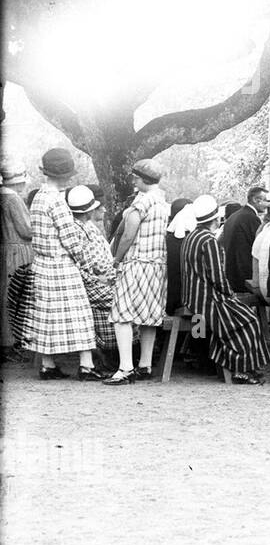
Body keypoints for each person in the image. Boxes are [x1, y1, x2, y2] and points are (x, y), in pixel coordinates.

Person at [177, 195, 270, 384]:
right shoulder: (208, 241)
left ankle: (207, 360)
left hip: (192, 298)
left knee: (232, 320)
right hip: (207, 300)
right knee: (248, 320)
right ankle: (242, 369)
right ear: (215, 218)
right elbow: (217, 277)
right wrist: (230, 294)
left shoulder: (191, 237)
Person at [26, 149, 100, 380]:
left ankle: (47, 365)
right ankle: (87, 365)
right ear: (66, 174)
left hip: (40, 264)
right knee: (80, 314)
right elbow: (70, 238)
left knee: (46, 315)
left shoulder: (38, 196)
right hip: (60, 264)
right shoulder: (57, 200)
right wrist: (88, 263)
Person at [106, 159, 168, 383]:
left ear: (143, 179)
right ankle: (145, 365)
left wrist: (116, 259)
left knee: (122, 315)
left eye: (135, 177)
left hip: (137, 264)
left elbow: (128, 234)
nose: (133, 180)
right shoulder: (162, 201)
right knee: (148, 317)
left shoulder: (141, 202)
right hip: (158, 266)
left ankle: (125, 368)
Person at [65, 185, 118, 359]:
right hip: (92, 284)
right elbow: (79, 266)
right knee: (125, 298)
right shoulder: (77, 230)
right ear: (89, 210)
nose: (101, 209)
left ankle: (121, 351)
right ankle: (114, 351)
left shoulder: (87, 227)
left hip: (100, 280)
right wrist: (100, 280)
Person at [1, 161, 34, 361]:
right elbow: (25, 230)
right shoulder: (13, 199)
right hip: (17, 251)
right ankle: (11, 344)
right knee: (16, 297)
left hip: (5, 249)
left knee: (6, 294)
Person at [220, 186, 267, 294]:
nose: (269, 204)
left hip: (232, 275)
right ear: (256, 200)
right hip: (245, 277)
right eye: (266, 201)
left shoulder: (235, 216)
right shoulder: (250, 218)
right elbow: (259, 248)